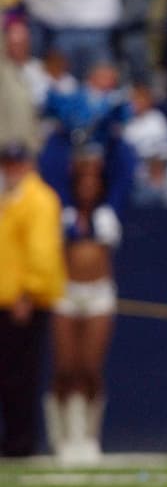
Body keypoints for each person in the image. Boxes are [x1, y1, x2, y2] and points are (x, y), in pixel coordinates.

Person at [48, 156, 119, 463]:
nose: (88, 185)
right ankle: (62, 437)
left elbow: (125, 166)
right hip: (66, 293)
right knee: (65, 368)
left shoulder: (107, 215)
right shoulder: (62, 214)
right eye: (83, 180)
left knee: (90, 368)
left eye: (94, 180)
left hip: (98, 295)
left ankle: (89, 436)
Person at [0, 140, 66, 457]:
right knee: (7, 373)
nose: (11, 170)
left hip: (22, 302)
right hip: (5, 299)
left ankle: (20, 442)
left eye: (16, 164)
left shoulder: (38, 199)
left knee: (19, 374)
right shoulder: (9, 199)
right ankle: (12, 438)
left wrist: (29, 291)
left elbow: (42, 252)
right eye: (7, 164)